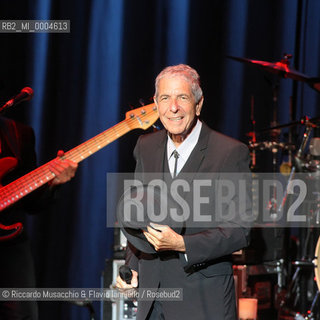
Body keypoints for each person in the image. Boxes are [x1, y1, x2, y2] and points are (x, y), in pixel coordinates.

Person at [116, 64, 251, 320]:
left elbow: (240, 230)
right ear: (156, 104)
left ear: (198, 105)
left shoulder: (230, 152)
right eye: (165, 98)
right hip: (152, 299)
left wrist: (183, 244)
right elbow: (137, 218)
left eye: (182, 98)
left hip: (202, 301)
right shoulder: (145, 146)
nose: (173, 107)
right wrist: (130, 269)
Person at [0, 115, 77, 319]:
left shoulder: (18, 132)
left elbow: (32, 204)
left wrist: (52, 183)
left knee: (23, 314)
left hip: (8, 246)